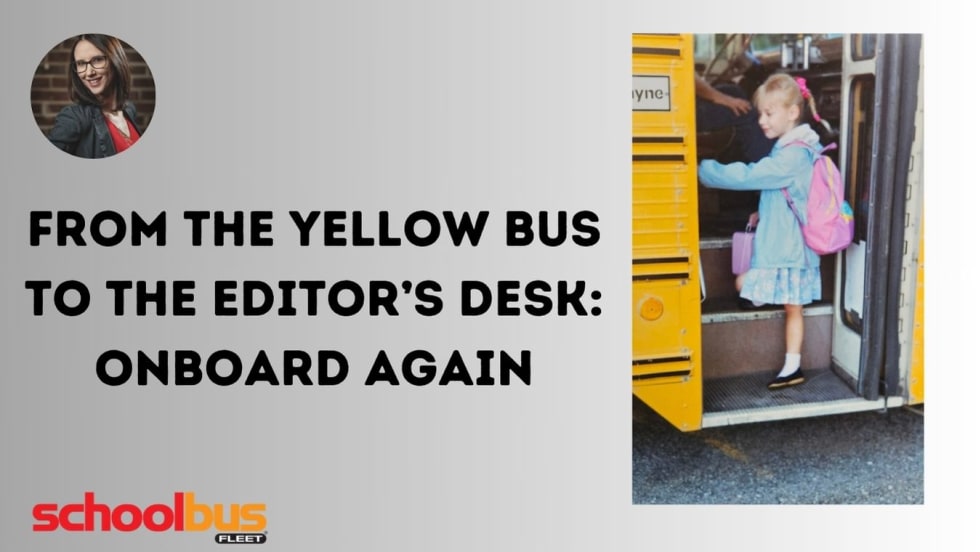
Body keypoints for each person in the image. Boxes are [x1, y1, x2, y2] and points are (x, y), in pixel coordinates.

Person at [697, 73, 827, 390]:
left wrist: (702, 169)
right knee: (791, 307)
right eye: (761, 114)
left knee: (747, 284)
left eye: (769, 114)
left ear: (792, 113)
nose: (761, 122)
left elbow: (752, 175)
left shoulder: (794, 154)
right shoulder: (795, 149)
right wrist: (762, 210)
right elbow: (787, 191)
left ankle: (792, 365)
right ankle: (792, 365)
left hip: (789, 249)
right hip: (787, 245)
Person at [48, 34, 141, 158]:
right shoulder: (74, 118)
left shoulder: (129, 110)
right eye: (81, 63)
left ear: (115, 60)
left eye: (97, 60)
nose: (89, 72)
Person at [695, 76, 775, 163]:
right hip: (684, 111)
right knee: (747, 114)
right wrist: (722, 98)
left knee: (734, 91)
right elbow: (688, 77)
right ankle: (765, 164)